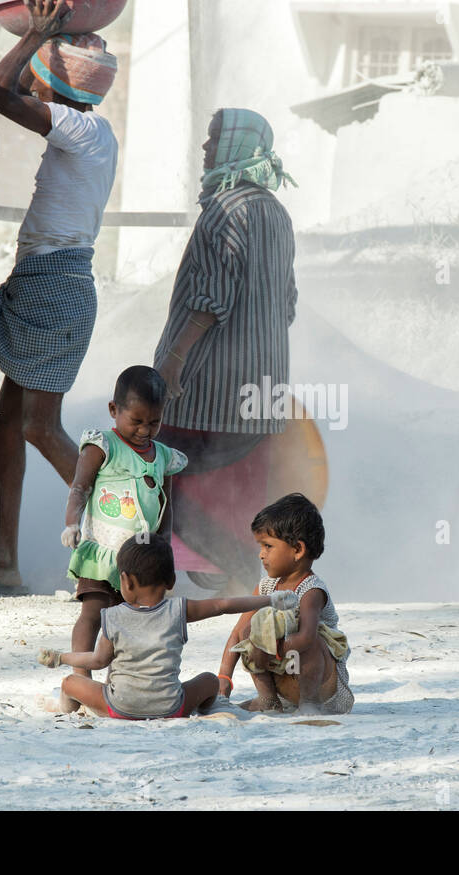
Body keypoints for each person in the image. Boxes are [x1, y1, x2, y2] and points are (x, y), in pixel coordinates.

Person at [0, 0, 118, 594]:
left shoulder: (80, 128)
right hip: (47, 282)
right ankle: (4, 563)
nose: (32, 72)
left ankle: (133, 534)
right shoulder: (85, 130)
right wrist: (43, 38)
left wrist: (36, 31)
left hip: (56, 287)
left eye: (44, 65)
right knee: (6, 424)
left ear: (59, 80)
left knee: (39, 426)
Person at [153, 108, 299, 596]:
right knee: (237, 488)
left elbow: (209, 302)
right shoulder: (277, 212)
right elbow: (288, 303)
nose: (205, 147)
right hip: (264, 392)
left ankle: (237, 574)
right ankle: (233, 573)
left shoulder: (223, 209)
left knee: (157, 471)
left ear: (236, 147)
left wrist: (172, 361)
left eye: (214, 138)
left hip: (211, 392)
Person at [37, 532, 298, 718]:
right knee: (208, 680)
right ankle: (213, 708)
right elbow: (223, 605)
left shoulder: (113, 616)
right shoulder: (179, 610)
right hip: (173, 707)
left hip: (119, 708)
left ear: (125, 582)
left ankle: (68, 711)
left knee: (70, 682)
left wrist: (61, 657)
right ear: (171, 581)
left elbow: (97, 660)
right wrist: (270, 600)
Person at [62, 366, 187, 677]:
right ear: (113, 410)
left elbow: (165, 505)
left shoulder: (163, 456)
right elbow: (80, 487)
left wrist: (166, 547)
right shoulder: (102, 445)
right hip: (102, 551)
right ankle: (81, 677)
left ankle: (123, 680)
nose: (145, 430)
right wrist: (71, 523)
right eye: (136, 421)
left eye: (154, 422)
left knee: (130, 620)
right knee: (93, 612)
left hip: (140, 559)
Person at [216, 493, 353, 715]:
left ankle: (309, 702)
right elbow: (236, 634)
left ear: (298, 550)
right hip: (284, 676)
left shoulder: (311, 589)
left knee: (310, 638)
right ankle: (269, 699)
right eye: (260, 547)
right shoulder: (266, 587)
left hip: (321, 682)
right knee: (248, 631)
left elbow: (307, 638)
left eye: (268, 546)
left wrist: (270, 651)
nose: (261, 555)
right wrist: (223, 679)